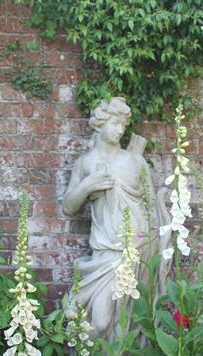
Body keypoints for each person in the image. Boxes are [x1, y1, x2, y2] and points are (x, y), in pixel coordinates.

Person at [62, 97, 170, 341]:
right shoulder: (85, 163)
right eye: (115, 123)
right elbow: (69, 207)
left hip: (138, 249)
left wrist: (152, 244)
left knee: (128, 320)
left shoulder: (135, 160)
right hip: (105, 252)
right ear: (100, 124)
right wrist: (87, 186)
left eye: (123, 124)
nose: (120, 129)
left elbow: (151, 207)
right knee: (99, 322)